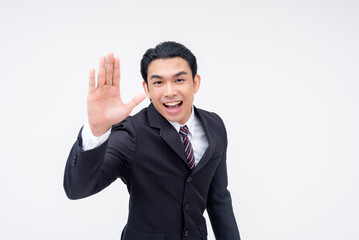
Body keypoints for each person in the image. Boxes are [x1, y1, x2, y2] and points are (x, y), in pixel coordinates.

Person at [63, 41, 240, 240]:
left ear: (195, 82)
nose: (170, 92)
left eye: (179, 80)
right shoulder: (131, 133)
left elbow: (218, 200)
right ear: (146, 89)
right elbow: (77, 189)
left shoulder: (215, 125)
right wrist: (96, 130)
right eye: (158, 83)